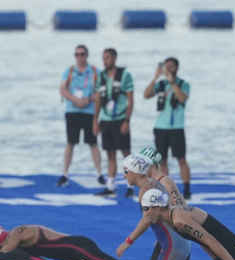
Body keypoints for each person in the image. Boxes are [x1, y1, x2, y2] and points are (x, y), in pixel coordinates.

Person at [57, 44, 104, 188]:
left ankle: (99, 173)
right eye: (77, 54)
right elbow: (62, 89)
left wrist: (88, 100)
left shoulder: (95, 72)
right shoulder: (70, 71)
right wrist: (75, 100)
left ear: (87, 55)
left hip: (89, 112)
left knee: (93, 143)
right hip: (72, 110)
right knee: (70, 143)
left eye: (82, 54)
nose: (79, 57)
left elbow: (101, 92)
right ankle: (65, 173)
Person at [144, 57, 191, 198]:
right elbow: (146, 95)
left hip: (176, 127)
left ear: (177, 68)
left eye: (171, 66)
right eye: (166, 66)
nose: (168, 69)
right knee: (161, 161)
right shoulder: (161, 84)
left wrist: (172, 82)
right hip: (161, 127)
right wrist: (155, 77)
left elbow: (182, 98)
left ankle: (187, 188)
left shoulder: (183, 84)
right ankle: (167, 188)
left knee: (181, 159)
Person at [93, 48, 135, 197]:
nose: (105, 61)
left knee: (126, 155)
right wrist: (95, 121)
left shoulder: (125, 75)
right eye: (103, 58)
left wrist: (127, 121)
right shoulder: (101, 76)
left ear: (115, 58)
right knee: (110, 154)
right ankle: (111, 186)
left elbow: (130, 101)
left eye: (108, 58)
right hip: (106, 120)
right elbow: (98, 99)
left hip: (120, 119)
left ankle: (130, 185)